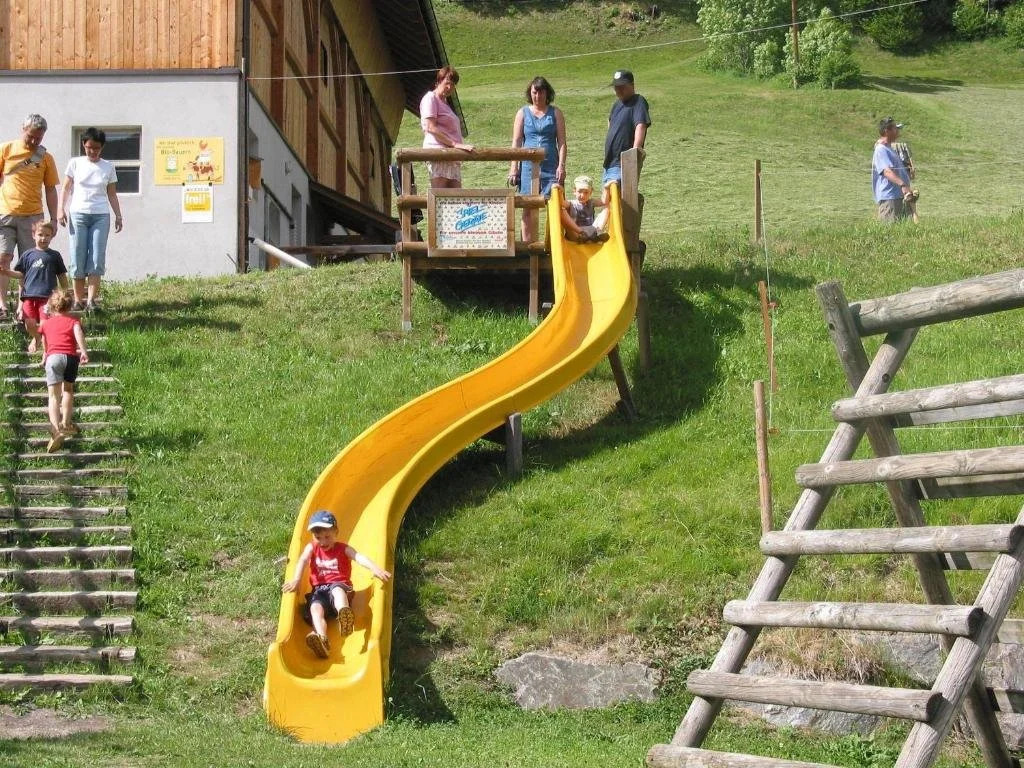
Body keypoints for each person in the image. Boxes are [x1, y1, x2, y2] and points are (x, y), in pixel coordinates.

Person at [281, 509, 391, 659]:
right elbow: (303, 560)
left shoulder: (342, 549)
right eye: (318, 537)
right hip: (319, 590)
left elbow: (358, 557)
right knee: (315, 609)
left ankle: (344, 615)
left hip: (340, 586)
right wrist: (296, 579)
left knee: (337, 591)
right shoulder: (312, 547)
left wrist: (374, 568)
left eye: (327, 536)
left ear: (336, 532)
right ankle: (322, 639)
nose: (323, 542)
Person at [0, 114, 59, 319]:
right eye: (30, 136)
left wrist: (53, 218)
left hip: (33, 216)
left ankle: (22, 306)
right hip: (5, 213)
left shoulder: (45, 157)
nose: (34, 141)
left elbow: (50, 189)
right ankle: (1, 304)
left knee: (29, 262)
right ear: (22, 130)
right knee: (3, 258)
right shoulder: (6, 149)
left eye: (38, 138)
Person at [58, 127, 123, 312]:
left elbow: (112, 194)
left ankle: (92, 301)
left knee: (96, 257)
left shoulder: (108, 166)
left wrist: (118, 215)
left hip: (100, 215)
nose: (93, 151)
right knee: (77, 255)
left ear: (102, 147)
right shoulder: (75, 163)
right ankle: (78, 299)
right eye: (89, 147)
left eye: (96, 148)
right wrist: (60, 209)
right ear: (83, 145)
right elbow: (65, 188)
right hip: (78, 214)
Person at [507, 76, 567, 242]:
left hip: (551, 166)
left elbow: (562, 142)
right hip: (528, 167)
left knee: (554, 205)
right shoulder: (522, 113)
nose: (537, 96)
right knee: (528, 207)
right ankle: (528, 247)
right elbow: (516, 141)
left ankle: (552, 245)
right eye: (534, 92)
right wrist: (514, 168)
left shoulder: (556, 113)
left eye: (541, 92)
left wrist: (561, 165)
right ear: (530, 93)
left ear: (547, 93)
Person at [0, 220, 69, 354]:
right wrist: (7, 272)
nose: (43, 238)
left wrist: (64, 292)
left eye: (47, 235)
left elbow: (61, 275)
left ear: (52, 236)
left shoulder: (55, 255)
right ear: (33, 235)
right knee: (29, 324)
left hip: (47, 298)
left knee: (44, 323)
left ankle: (46, 350)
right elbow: (21, 274)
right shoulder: (27, 255)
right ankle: (36, 337)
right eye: (40, 235)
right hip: (29, 296)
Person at [38, 289, 89, 453]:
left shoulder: (46, 323)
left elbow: (45, 342)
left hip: (54, 358)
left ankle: (56, 430)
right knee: (68, 390)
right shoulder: (74, 321)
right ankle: (66, 423)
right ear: (70, 306)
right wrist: (83, 351)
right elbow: (78, 334)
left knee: (53, 396)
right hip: (71, 357)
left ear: (52, 306)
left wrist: (45, 355)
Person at [602, 70, 651, 207]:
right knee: (609, 203)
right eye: (616, 87)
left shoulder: (638, 102)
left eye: (622, 87)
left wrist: (635, 152)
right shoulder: (617, 105)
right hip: (609, 162)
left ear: (632, 85)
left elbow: (640, 125)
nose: (618, 90)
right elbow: (610, 123)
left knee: (619, 203)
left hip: (624, 163)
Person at [419, 67, 474, 189]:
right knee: (440, 195)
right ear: (439, 81)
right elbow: (430, 127)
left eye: (453, 85)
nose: (450, 87)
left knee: (455, 197)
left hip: (451, 157)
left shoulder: (445, 103)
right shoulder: (430, 98)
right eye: (447, 83)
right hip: (439, 154)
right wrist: (455, 144)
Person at [872, 117, 915, 223]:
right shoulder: (881, 150)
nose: (898, 132)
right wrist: (903, 185)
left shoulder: (889, 148)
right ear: (887, 131)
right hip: (890, 198)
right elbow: (886, 172)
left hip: (898, 196)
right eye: (895, 129)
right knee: (888, 229)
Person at [558, 175, 608, 243]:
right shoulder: (571, 203)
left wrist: (606, 189)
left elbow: (604, 201)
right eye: (579, 191)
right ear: (574, 191)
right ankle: (583, 234)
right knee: (562, 211)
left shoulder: (591, 202)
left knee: (607, 210)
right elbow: (562, 203)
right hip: (575, 234)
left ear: (591, 192)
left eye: (586, 192)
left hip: (590, 232)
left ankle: (598, 232)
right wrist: (560, 192)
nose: (582, 195)